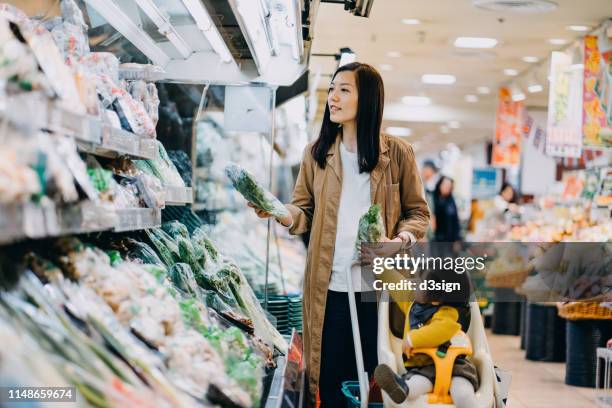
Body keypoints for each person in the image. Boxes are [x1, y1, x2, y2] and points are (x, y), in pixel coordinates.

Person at [248, 62, 430, 406]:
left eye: (344, 89)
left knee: (379, 378)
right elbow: (303, 212)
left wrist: (399, 241)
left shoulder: (397, 154)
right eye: (332, 89)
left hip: (377, 290)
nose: (333, 96)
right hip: (328, 288)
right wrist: (279, 212)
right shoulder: (316, 154)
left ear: (369, 98)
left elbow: (418, 214)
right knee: (330, 380)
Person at [373, 269, 478, 408]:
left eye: (421, 283)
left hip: (454, 365)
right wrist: (379, 265)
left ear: (436, 298)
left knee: (463, 393)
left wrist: (412, 339)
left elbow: (440, 330)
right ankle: (401, 388)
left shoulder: (448, 313)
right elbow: (396, 282)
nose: (414, 283)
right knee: (416, 384)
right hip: (422, 367)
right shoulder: (412, 302)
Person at [433, 176, 461, 243]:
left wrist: (457, 239)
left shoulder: (451, 200)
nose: (446, 188)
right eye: (445, 185)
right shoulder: (432, 198)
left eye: (449, 186)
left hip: (449, 240)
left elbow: (455, 220)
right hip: (435, 238)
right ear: (440, 184)